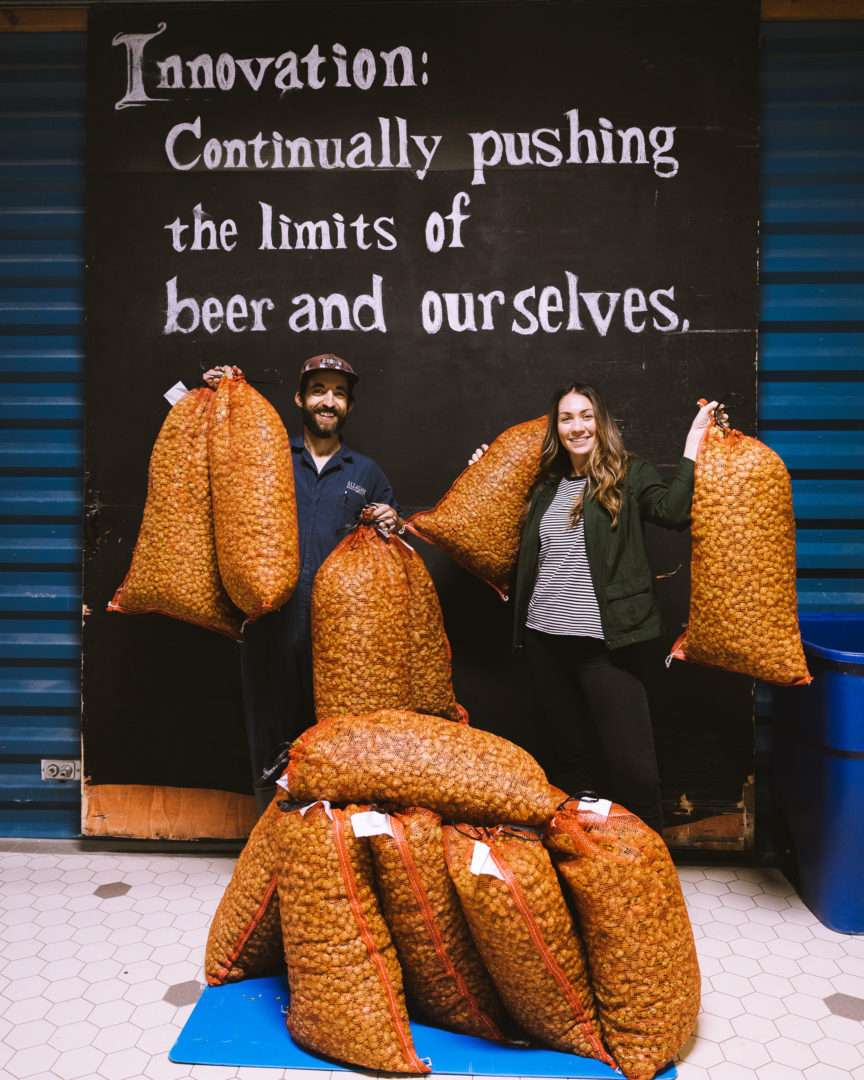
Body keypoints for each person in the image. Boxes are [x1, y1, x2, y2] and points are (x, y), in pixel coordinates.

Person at [473, 384, 717, 833]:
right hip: (545, 640)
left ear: (600, 423)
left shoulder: (629, 473)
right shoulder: (545, 486)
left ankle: (651, 871)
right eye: (567, 418)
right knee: (570, 761)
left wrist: (694, 441)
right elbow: (494, 529)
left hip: (606, 643)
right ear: (557, 428)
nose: (577, 426)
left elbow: (674, 511)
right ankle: (585, 864)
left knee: (632, 766)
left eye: (585, 416)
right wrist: (483, 472)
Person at [204, 354, 398, 811]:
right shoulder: (270, 455)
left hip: (337, 634)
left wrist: (392, 520)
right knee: (268, 731)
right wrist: (218, 394)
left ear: (349, 405)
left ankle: (320, 846)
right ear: (300, 398)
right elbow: (221, 455)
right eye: (318, 390)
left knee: (330, 735)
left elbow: (390, 542)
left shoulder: (364, 472)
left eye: (338, 393)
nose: (327, 401)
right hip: (272, 621)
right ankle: (267, 841)